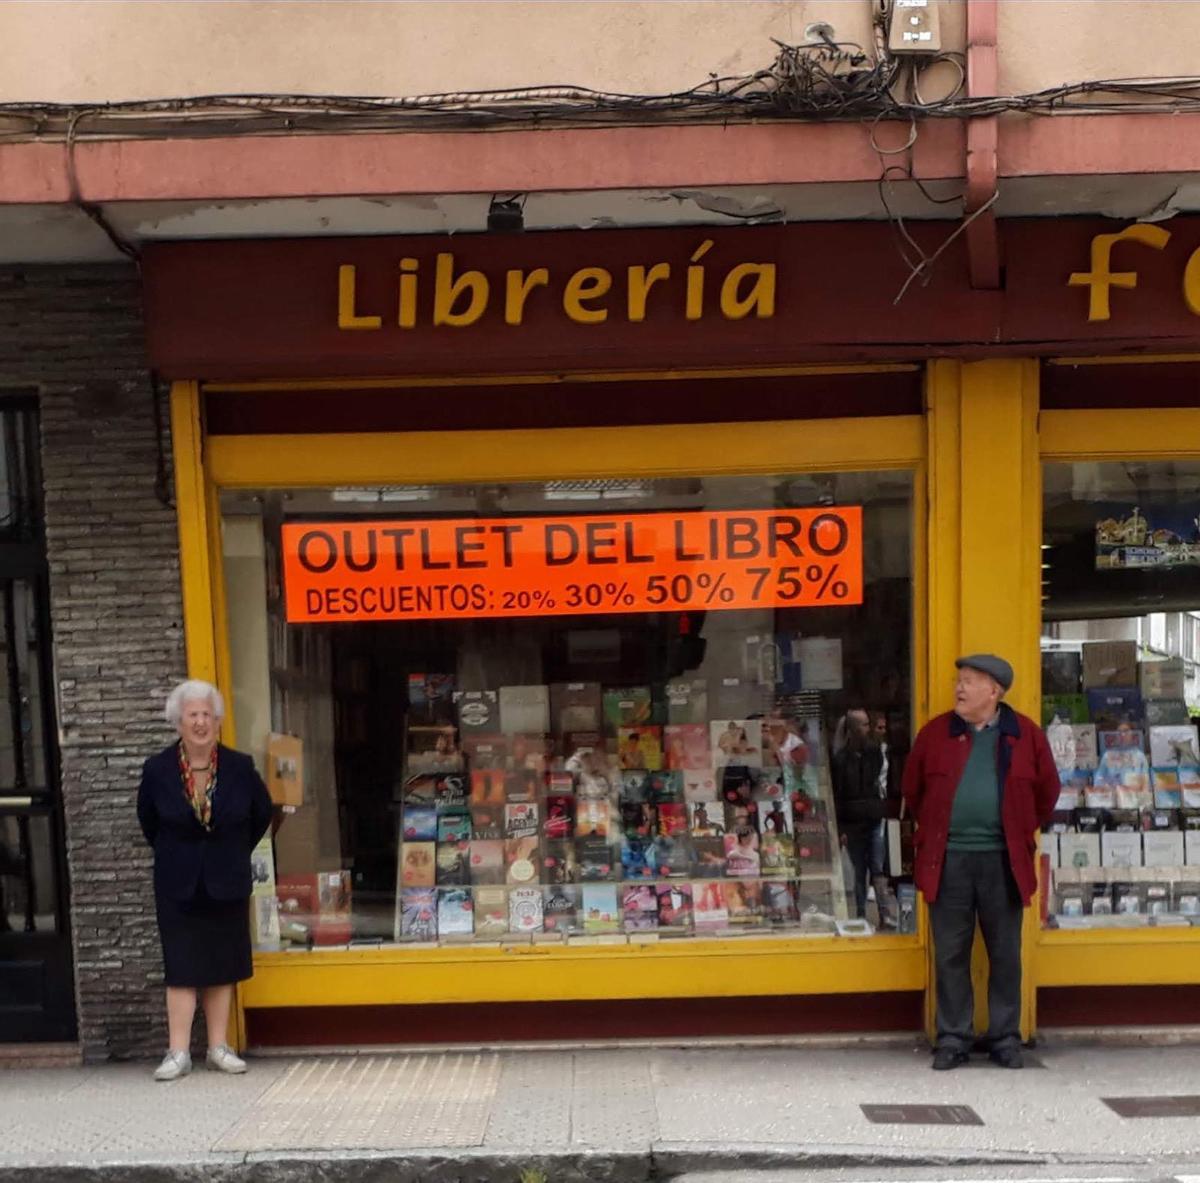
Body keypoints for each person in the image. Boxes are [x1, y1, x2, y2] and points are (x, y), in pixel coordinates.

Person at [902, 655, 1059, 1071]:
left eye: (969, 681)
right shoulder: (935, 734)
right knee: (951, 952)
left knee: (1005, 952)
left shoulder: (1024, 734)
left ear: (994, 691)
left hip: (1003, 860)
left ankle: (1005, 1038)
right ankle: (953, 1037)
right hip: (948, 859)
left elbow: (1047, 792)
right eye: (959, 680)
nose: (959, 688)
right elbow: (913, 790)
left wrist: (1017, 829)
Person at [137, 679, 273, 1082]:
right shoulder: (158, 770)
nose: (200, 722)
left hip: (226, 878)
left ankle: (218, 1048)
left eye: (207, 715)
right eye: (192, 715)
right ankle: (178, 1053)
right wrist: (179, 852)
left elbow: (261, 814)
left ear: (218, 721)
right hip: (177, 881)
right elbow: (149, 821)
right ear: (178, 722)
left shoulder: (239, 767)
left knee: (221, 963)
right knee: (180, 966)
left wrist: (230, 852)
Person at [829, 708, 884, 920]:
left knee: (878, 867)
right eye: (863, 724)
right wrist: (841, 827)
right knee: (859, 869)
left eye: (867, 724)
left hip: (873, 817)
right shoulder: (841, 760)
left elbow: (875, 778)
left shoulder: (873, 751)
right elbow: (838, 795)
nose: (867, 728)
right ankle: (861, 913)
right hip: (852, 822)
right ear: (852, 729)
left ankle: (884, 912)